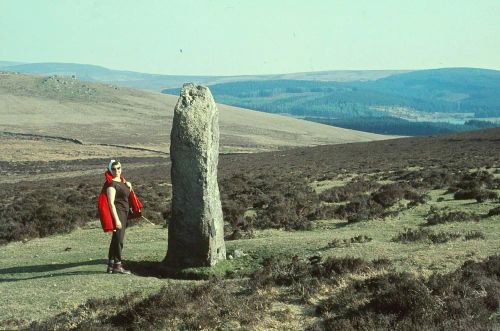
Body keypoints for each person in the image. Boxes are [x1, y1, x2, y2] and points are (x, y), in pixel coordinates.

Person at [106, 159, 133, 274]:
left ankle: (111, 265)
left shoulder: (122, 181)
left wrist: (129, 186)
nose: (116, 170)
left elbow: (127, 196)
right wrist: (116, 219)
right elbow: (111, 204)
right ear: (110, 170)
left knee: (115, 239)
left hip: (124, 212)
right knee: (119, 240)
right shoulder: (111, 184)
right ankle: (118, 265)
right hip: (118, 213)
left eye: (118, 168)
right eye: (113, 169)